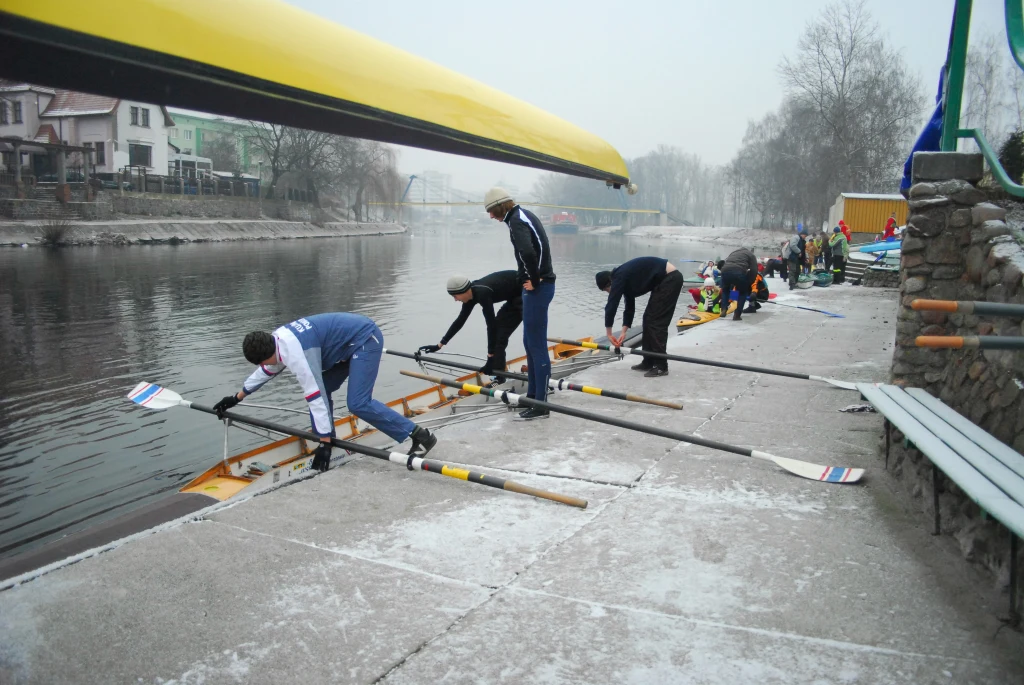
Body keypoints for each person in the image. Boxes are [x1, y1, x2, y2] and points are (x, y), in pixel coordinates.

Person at [212, 312, 436, 472]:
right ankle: (330, 439)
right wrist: (237, 397)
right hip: (345, 345)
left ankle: (421, 436)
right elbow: (266, 370)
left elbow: (314, 396)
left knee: (358, 403)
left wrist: (324, 443)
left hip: (364, 339)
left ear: (268, 353)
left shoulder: (299, 355)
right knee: (325, 389)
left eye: (264, 362)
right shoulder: (275, 341)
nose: (267, 366)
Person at [485, 187, 555, 419]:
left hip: (539, 287)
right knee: (529, 342)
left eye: (492, 211)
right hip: (539, 285)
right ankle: (533, 396)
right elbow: (535, 250)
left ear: (500, 206)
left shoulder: (516, 220)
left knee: (536, 345)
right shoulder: (522, 215)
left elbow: (529, 253)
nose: (491, 216)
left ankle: (542, 405)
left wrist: (534, 280)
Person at [418, 270, 521, 375]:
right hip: (513, 298)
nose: (455, 300)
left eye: (455, 296)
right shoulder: (471, 296)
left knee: (499, 334)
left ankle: (499, 375)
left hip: (526, 294)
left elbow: (491, 326)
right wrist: (439, 345)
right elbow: (460, 321)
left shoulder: (483, 293)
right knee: (498, 335)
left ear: (464, 291)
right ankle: (498, 373)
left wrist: (490, 358)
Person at [595, 256, 684, 377]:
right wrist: (623, 332)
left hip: (670, 279)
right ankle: (648, 361)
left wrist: (609, 333)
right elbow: (629, 308)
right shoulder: (624, 279)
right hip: (664, 280)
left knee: (655, 322)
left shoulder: (618, 277)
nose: (608, 292)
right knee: (647, 319)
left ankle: (661, 366)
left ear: (609, 282)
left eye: (606, 289)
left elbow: (612, 305)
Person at [718, 247, 758, 321]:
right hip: (739, 271)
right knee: (742, 293)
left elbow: (723, 263)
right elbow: (754, 270)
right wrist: (749, 282)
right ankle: (737, 315)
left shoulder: (733, 253)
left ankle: (723, 309)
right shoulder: (751, 255)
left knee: (725, 290)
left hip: (725, 270)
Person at [784, 225, 807, 290]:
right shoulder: (796, 238)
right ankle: (792, 284)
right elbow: (792, 245)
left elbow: (804, 250)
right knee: (792, 271)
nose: (805, 237)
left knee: (798, 271)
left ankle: (795, 282)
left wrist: (805, 258)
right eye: (805, 236)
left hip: (797, 258)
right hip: (791, 257)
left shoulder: (802, 240)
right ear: (802, 234)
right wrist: (799, 252)